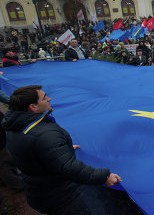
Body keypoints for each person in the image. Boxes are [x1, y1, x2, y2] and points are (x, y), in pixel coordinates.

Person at [1, 85, 122, 214]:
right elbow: (67, 167)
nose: (49, 98)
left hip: (39, 193)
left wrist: (61, 149)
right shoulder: (44, 134)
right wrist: (104, 176)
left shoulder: (14, 127)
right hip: (61, 198)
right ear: (33, 107)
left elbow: (36, 151)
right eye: (44, 98)